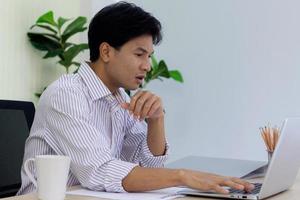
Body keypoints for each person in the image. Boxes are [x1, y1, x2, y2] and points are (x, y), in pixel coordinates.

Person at [17, 1, 254, 195]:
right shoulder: (66, 94)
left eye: (149, 56)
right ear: (107, 51)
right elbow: (100, 171)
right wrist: (182, 176)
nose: (148, 66)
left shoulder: (118, 96)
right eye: (139, 54)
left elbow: (149, 166)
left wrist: (156, 120)